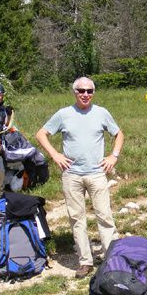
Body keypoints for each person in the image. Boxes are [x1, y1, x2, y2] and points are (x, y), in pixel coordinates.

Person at [36, 77, 124, 279]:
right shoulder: (63, 114)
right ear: (74, 92)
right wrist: (55, 155)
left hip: (96, 173)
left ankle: (113, 258)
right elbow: (41, 134)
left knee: (105, 215)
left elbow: (118, 133)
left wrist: (114, 156)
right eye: (81, 90)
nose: (85, 94)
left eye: (89, 90)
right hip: (72, 175)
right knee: (77, 218)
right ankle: (85, 262)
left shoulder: (101, 113)